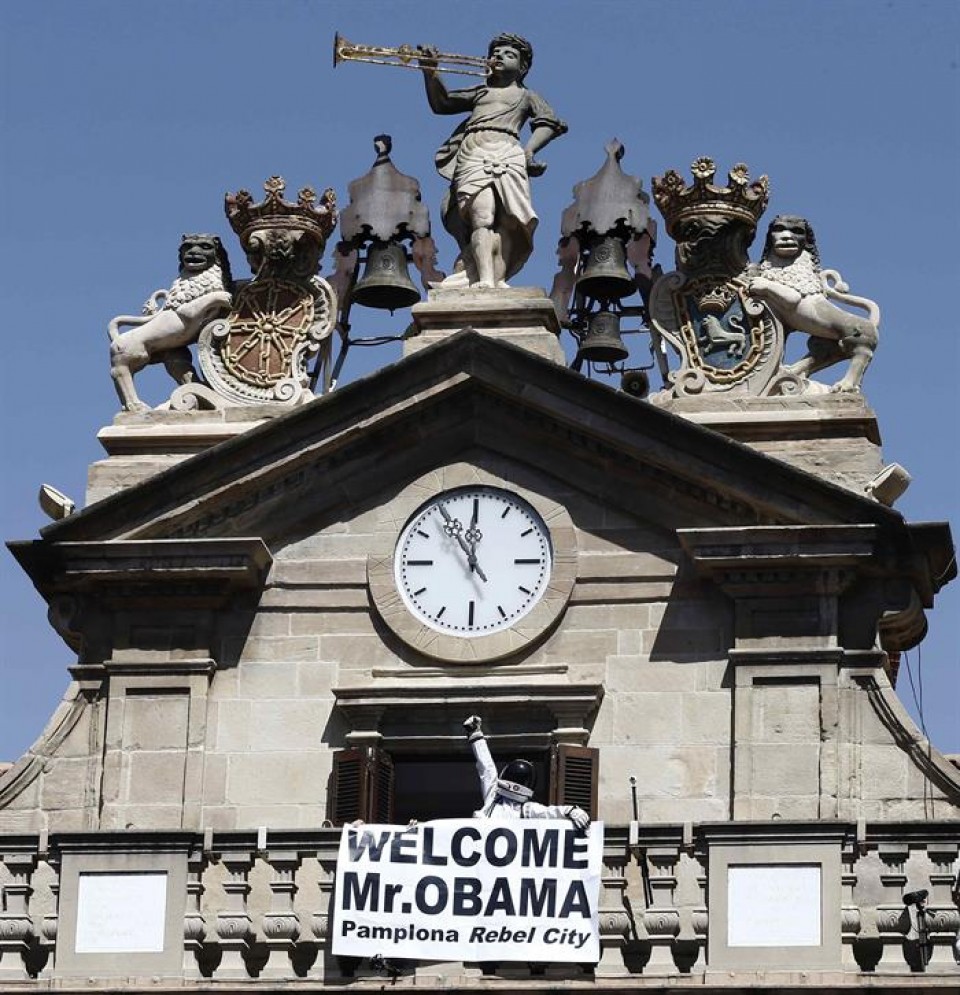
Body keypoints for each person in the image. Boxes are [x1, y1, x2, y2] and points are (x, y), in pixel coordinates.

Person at [419, 34, 567, 289]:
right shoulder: (480, 92)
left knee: (510, 222)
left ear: (522, 68)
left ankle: (493, 277)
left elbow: (549, 123)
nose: (498, 56)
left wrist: (529, 151)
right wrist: (430, 73)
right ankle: (484, 279)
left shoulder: (527, 96)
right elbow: (442, 103)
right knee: (482, 216)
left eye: (508, 54)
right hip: (475, 153)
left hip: (508, 153)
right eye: (496, 52)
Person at [463, 715, 590, 829]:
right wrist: (571, 811)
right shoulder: (498, 800)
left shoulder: (496, 799)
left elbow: (487, 768)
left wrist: (476, 735)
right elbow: (550, 812)